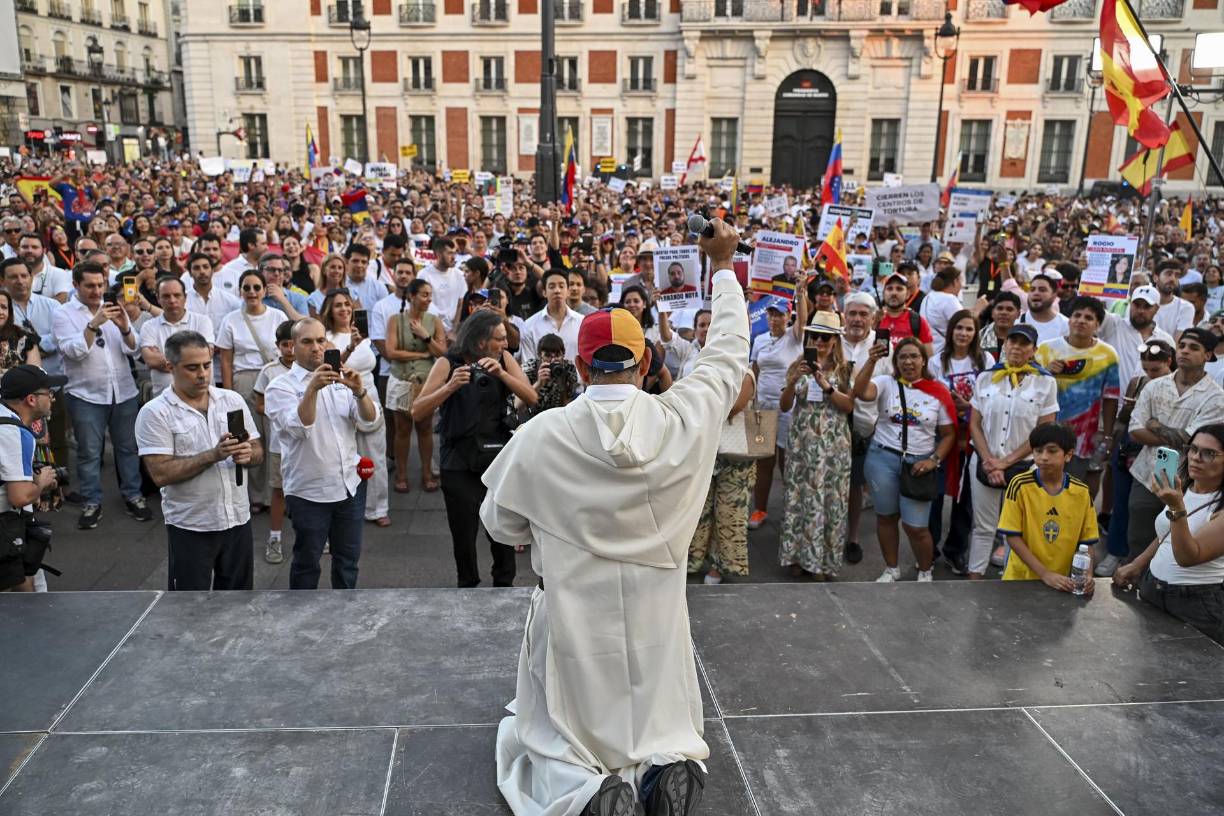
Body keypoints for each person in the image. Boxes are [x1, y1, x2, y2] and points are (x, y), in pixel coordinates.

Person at [479, 219, 748, 816]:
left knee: (556, 733)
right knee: (656, 713)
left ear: (578, 360)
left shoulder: (542, 434)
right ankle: (665, 766)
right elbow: (728, 354)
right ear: (647, 358)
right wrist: (724, 267)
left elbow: (500, 525)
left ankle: (588, 791)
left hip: (573, 610)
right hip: (657, 609)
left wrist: (555, 521)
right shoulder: (681, 418)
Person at [412, 310, 537, 588]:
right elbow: (417, 411)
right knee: (464, 533)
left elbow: (531, 397)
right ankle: (467, 586)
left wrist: (503, 374)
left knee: (501, 530)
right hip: (458, 460)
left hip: (496, 457)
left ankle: (504, 585)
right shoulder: (448, 362)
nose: (506, 345)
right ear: (481, 341)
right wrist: (451, 386)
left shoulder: (503, 359)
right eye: (500, 339)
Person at [135, 331, 262, 591]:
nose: (203, 374)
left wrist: (248, 455)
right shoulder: (155, 413)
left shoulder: (231, 400)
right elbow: (160, 474)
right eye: (192, 368)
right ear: (170, 367)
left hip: (237, 519)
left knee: (238, 604)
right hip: (191, 526)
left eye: (206, 365)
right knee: (189, 609)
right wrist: (214, 455)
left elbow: (258, 450)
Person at [264, 318, 383, 589]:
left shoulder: (341, 380)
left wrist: (360, 391)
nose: (316, 348)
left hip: (349, 487)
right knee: (307, 562)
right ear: (292, 346)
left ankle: (344, 614)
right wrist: (312, 389)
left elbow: (369, 420)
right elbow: (299, 426)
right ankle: (303, 618)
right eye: (307, 341)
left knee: (348, 561)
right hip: (309, 492)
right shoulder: (280, 386)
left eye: (320, 340)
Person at [52, 262, 152, 529]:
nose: (97, 291)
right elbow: (73, 351)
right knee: (89, 453)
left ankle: (133, 495)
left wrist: (124, 327)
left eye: (100, 285)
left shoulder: (115, 308)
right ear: (76, 285)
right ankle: (92, 501)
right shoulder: (63, 313)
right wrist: (93, 325)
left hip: (123, 391)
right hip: (86, 394)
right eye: (90, 286)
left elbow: (134, 348)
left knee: (128, 448)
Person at [854, 336, 957, 582]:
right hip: (882, 459)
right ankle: (891, 568)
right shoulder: (886, 383)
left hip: (918, 465)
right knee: (886, 517)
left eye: (914, 356)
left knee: (916, 527)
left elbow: (949, 434)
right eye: (902, 357)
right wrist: (871, 359)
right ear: (896, 361)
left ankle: (925, 570)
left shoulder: (938, 392)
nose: (908, 361)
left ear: (923, 360)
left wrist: (934, 460)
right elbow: (860, 392)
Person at [1114, 423, 1224, 643]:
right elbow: (1167, 533)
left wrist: (1175, 507)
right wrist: (1138, 564)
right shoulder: (1185, 488)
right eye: (1193, 449)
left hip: (1195, 605)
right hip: (1151, 589)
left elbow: (1187, 556)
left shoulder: (1216, 506)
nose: (1196, 458)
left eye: (1208, 453)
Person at [967, 323, 1059, 578]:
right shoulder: (987, 376)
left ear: (1034, 350)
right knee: (983, 526)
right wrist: (989, 461)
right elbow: (975, 423)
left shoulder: (1045, 382)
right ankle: (974, 576)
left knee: (1016, 528)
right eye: (1012, 342)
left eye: (1024, 343)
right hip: (985, 461)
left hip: (1023, 465)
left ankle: (1011, 579)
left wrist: (1005, 462)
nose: (1017, 347)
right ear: (1004, 345)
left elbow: (1043, 430)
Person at [1125, 328, 1224, 560]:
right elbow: (1134, 431)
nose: (1185, 351)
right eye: (1182, 346)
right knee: (1137, 536)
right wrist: (1176, 435)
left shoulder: (1216, 397)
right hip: (1146, 474)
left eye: (1194, 347)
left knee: (1174, 539)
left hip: (1189, 479)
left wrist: (1154, 424)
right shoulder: (1154, 386)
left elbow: (1192, 440)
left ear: (1208, 355)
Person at [778, 313, 855, 580]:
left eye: (825, 337)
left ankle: (823, 563)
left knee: (830, 502)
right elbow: (785, 405)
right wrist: (791, 381)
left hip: (833, 445)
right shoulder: (798, 364)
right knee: (800, 500)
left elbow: (849, 406)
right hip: (802, 444)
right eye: (815, 336)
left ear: (835, 341)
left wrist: (826, 386)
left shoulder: (844, 369)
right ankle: (798, 558)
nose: (819, 341)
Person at [1096, 340, 1174, 578]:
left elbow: (1172, 428)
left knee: (1151, 508)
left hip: (1158, 454)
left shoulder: (1175, 388)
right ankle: (1116, 552)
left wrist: (1150, 426)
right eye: (1146, 369)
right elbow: (1124, 419)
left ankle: (1144, 560)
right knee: (1122, 504)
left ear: (1169, 363)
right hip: (1128, 450)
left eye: (1156, 370)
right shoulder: (1136, 383)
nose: (1150, 375)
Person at [927, 310, 995, 573]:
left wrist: (969, 406)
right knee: (934, 494)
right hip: (942, 434)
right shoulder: (936, 362)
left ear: (975, 333)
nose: (963, 334)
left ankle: (955, 550)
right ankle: (929, 548)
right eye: (959, 328)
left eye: (969, 329)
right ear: (950, 331)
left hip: (973, 436)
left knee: (965, 497)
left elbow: (989, 396)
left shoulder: (985, 359)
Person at [997, 422, 1099, 592]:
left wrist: (1087, 575)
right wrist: (1045, 574)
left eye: (1052, 451)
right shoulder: (1020, 485)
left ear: (1068, 455)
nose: (1043, 457)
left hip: (1063, 581)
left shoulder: (1081, 492)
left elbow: (1086, 540)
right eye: (1038, 451)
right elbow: (1012, 537)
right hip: (1021, 579)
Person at [216, 270, 287, 512]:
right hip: (244, 380)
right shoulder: (231, 320)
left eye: (256, 287)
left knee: (276, 436)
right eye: (247, 288)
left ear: (264, 289)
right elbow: (226, 359)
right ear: (240, 291)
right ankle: (256, 496)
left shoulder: (277, 316)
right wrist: (227, 394)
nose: (252, 292)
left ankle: (276, 493)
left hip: (274, 378)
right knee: (251, 438)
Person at [1036, 295, 1119, 496]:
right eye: (1077, 315)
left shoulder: (1108, 354)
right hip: (1047, 431)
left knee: (1074, 490)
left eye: (1089, 318)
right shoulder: (1046, 349)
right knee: (1043, 488)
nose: (1081, 320)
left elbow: (1110, 398)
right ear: (1069, 319)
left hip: (1084, 437)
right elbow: (1031, 389)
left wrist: (1107, 435)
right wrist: (1046, 372)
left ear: (1097, 325)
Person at [320, 287, 389, 526]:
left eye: (347, 305)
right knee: (346, 455)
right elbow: (333, 368)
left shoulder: (362, 335)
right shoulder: (326, 337)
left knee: (376, 454)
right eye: (338, 305)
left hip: (368, 394)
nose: (344, 309)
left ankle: (378, 508)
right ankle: (347, 507)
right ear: (330, 310)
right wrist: (349, 347)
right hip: (340, 397)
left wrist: (357, 340)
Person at [0, 365, 63, 592]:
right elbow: (19, 497)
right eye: (49, 393)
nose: (53, 399)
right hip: (5, 527)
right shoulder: (15, 433)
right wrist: (41, 483)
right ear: (31, 399)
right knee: (24, 598)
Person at [748, 294, 806, 530]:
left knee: (787, 462)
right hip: (762, 408)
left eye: (780, 314)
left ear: (788, 317)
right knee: (763, 461)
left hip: (787, 408)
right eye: (771, 314)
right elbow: (754, 370)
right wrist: (751, 401)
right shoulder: (760, 339)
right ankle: (760, 509)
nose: (774, 319)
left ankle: (791, 511)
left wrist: (801, 292)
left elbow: (803, 319)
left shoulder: (794, 337)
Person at [384, 278, 446, 494]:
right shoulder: (395, 320)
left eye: (430, 295)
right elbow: (391, 352)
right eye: (424, 294)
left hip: (426, 380)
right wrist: (422, 353)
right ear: (411, 296)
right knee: (402, 428)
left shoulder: (434, 321)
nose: (428, 299)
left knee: (425, 427)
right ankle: (401, 475)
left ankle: (427, 473)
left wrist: (426, 337)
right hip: (401, 379)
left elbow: (442, 353)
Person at [252, 320, 296, 564]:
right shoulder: (269, 371)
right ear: (278, 346)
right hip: (280, 443)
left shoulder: (311, 369)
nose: (289, 350)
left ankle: (316, 534)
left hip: (306, 444)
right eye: (285, 345)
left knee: (306, 491)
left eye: (293, 344)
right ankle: (275, 537)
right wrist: (278, 411)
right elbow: (259, 402)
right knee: (278, 490)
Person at [139, 276, 215, 398]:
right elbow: (150, 360)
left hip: (201, 397)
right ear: (158, 299)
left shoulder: (202, 321)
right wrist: (191, 361)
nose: (172, 300)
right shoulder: (149, 326)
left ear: (185, 297)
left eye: (177, 295)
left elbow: (207, 353)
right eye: (166, 296)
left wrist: (165, 359)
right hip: (163, 400)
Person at [519, 268, 583, 364]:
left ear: (568, 291)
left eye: (561, 286)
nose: (557, 291)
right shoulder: (529, 325)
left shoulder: (582, 322)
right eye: (552, 287)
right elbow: (528, 366)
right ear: (544, 292)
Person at [875, 268, 934, 355]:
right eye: (889, 289)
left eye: (899, 289)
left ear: (907, 294)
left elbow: (928, 359)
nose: (894, 293)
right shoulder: (874, 320)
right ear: (883, 294)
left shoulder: (918, 321)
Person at [520, 333, 580, 416]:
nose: (553, 360)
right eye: (547, 356)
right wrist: (539, 383)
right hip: (532, 417)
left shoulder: (568, 368)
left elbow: (568, 404)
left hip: (558, 415)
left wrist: (561, 381)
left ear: (563, 355)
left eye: (557, 355)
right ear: (539, 355)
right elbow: (519, 405)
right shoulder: (530, 368)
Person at [420, 236, 466, 334]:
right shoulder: (424, 275)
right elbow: (422, 304)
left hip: (453, 329)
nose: (454, 257)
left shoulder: (460, 275)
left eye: (455, 252)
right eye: (449, 253)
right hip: (430, 327)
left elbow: (460, 304)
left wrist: (454, 330)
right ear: (438, 254)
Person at [1018, 273, 1070, 345]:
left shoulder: (1066, 326)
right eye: (1032, 289)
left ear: (1054, 295)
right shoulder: (1017, 321)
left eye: (1042, 290)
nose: (1036, 293)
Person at [1153, 260, 1195, 340]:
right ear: (1155, 278)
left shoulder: (1186, 308)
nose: (1173, 279)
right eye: (1168, 274)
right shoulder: (1140, 303)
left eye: (1177, 275)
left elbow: (1177, 343)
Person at [978, 291, 1022, 358]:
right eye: (1000, 308)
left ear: (1018, 314)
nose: (1003, 312)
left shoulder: (1024, 340)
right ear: (992, 312)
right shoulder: (978, 337)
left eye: (1009, 309)